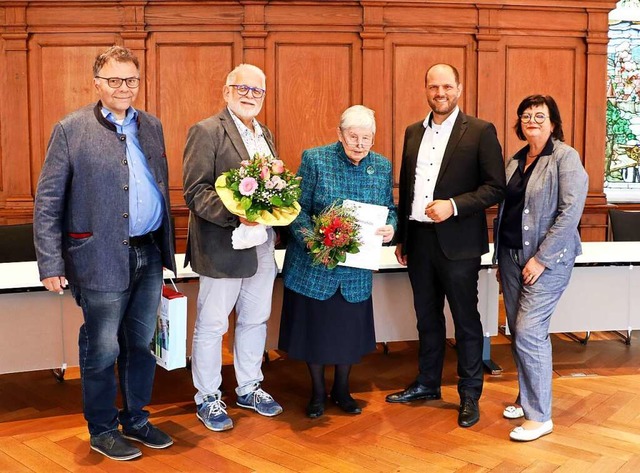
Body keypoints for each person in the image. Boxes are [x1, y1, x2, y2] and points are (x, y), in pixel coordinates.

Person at [33, 45, 176, 461]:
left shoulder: (151, 126)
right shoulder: (70, 129)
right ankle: (102, 428)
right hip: (96, 259)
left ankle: (136, 419)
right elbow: (48, 202)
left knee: (140, 344)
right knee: (102, 349)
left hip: (148, 254)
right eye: (114, 80)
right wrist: (50, 263)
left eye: (130, 79)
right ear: (97, 84)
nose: (123, 88)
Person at [386, 63, 506, 428]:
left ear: (459, 88)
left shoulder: (481, 131)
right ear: (425, 88)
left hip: (459, 243)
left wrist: (452, 206)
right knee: (427, 318)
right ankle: (427, 383)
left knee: (466, 321)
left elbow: (495, 187)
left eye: (447, 87)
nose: (440, 93)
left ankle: (470, 393)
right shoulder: (411, 132)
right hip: (419, 241)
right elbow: (407, 187)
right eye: (434, 87)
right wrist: (404, 237)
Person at [279, 105, 397, 418]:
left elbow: (390, 209)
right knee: (315, 333)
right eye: (353, 136)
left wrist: (391, 228)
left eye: (366, 138)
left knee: (347, 335)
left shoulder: (382, 167)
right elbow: (296, 209)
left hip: (355, 270)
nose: (360, 143)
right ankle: (317, 393)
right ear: (340, 134)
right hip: (315, 266)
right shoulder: (316, 159)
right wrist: (312, 241)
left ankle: (342, 390)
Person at [183, 64, 283, 433]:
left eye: (257, 91)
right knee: (212, 325)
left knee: (255, 319)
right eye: (242, 88)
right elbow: (195, 192)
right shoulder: (206, 131)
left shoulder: (265, 133)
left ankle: (249, 386)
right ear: (226, 91)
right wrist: (238, 217)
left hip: (262, 245)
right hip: (223, 245)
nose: (249, 95)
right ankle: (207, 396)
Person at [495, 95, 587, 441]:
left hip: (547, 261)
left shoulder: (565, 157)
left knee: (530, 330)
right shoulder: (515, 160)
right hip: (511, 257)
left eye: (539, 115)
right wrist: (499, 260)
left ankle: (540, 416)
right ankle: (526, 396)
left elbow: (570, 213)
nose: (531, 120)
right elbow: (507, 213)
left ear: (552, 122)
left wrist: (541, 258)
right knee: (519, 332)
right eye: (525, 115)